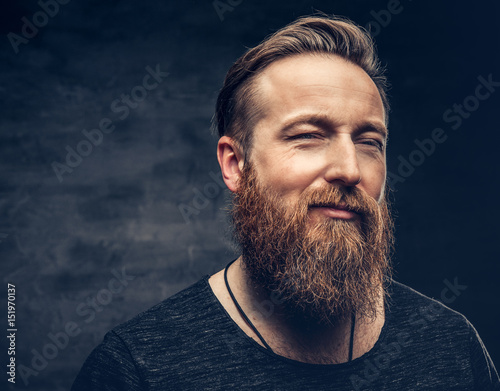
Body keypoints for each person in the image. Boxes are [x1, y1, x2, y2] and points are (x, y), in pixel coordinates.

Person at [72, 15, 499, 390]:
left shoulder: (451, 348)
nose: (350, 169)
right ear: (235, 164)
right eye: (308, 136)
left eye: (370, 142)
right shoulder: (138, 368)